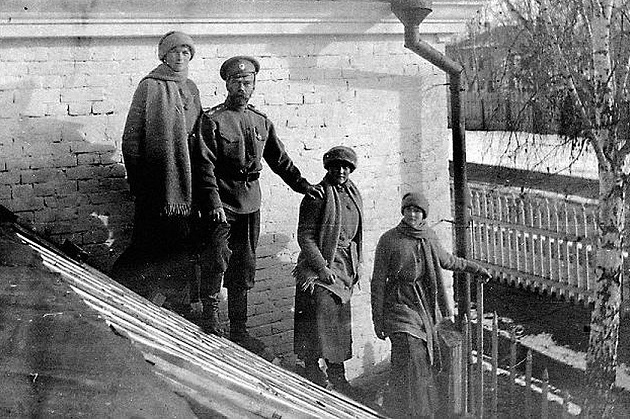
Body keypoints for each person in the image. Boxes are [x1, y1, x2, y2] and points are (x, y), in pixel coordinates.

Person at [196, 56, 322, 354]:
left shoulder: (261, 121)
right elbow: (204, 166)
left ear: (254, 85)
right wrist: (213, 202)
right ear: (227, 84)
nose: (242, 87)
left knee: (244, 265)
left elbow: (280, 160)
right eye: (237, 82)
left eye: (248, 82)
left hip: (250, 202)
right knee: (217, 257)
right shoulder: (213, 120)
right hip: (222, 202)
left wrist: (304, 186)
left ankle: (239, 330)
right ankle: (210, 318)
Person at [112, 31, 224, 335]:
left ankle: (165, 312)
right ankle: (122, 297)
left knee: (180, 250)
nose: (180, 57)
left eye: (186, 52)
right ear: (164, 55)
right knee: (147, 246)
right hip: (157, 184)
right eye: (174, 52)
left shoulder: (192, 88)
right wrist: (140, 183)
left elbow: (198, 137)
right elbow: (131, 139)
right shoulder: (149, 86)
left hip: (187, 186)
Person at [371, 191, 492, 418]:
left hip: (422, 307)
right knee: (411, 353)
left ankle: (401, 409)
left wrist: (475, 268)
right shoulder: (389, 240)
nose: (412, 215)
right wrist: (377, 319)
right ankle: (417, 413)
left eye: (417, 211)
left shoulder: (429, 237)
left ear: (423, 214)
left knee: (417, 362)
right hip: (398, 304)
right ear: (403, 211)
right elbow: (377, 282)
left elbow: (448, 261)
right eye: (409, 210)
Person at [293, 146, 363, 396]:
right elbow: (305, 236)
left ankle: (337, 376)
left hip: (344, 266)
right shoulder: (317, 195)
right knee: (319, 317)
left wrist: (358, 262)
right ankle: (312, 368)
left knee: (339, 324)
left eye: (346, 167)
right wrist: (321, 267)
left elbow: (357, 234)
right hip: (320, 266)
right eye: (336, 166)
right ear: (328, 168)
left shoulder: (353, 194)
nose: (341, 171)